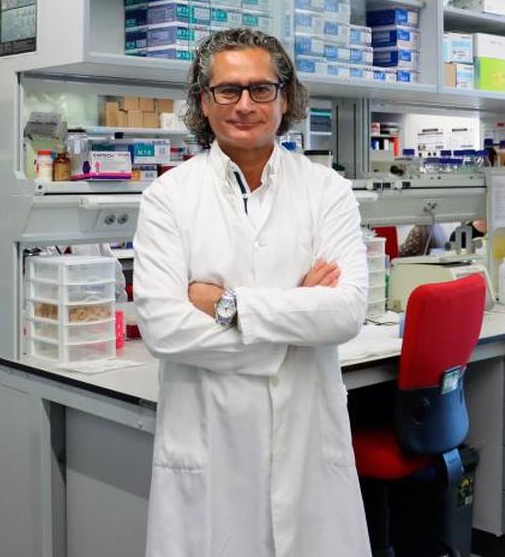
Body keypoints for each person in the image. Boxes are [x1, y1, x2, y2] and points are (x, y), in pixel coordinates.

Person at [133, 28, 372, 557]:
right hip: (210, 439)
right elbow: (163, 328)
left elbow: (346, 311)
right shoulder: (168, 197)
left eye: (261, 89)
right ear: (204, 101)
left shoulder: (326, 190)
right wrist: (292, 330)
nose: (245, 105)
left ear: (285, 98)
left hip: (307, 440)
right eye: (228, 90)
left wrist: (227, 306)